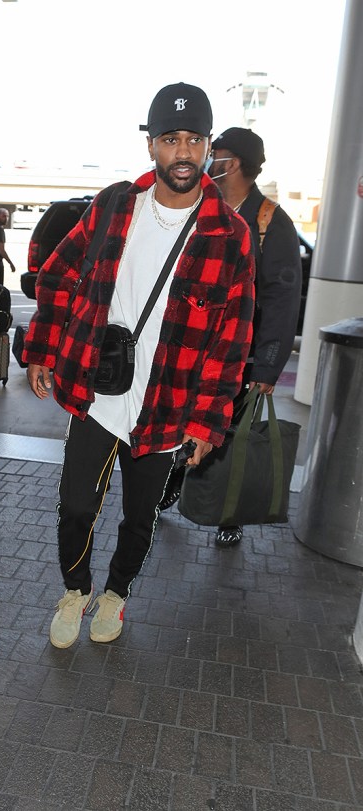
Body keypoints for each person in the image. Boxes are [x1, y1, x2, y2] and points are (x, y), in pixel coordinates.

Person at [22, 83, 255, 649]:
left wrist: (207, 423)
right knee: (76, 506)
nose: (183, 152)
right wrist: (44, 349)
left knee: (138, 518)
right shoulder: (114, 206)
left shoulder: (231, 236)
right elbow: (56, 274)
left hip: (168, 404)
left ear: (209, 151)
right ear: (152, 145)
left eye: (194, 141)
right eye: (170, 139)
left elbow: (231, 341)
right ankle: (76, 589)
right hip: (97, 391)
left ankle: (116, 594)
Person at [200, 127, 301, 548]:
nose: (208, 160)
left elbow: (282, 298)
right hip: (193, 347)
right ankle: (172, 487)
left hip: (239, 355)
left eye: (215, 154)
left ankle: (230, 512)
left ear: (234, 162)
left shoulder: (270, 221)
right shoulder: (201, 207)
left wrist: (267, 365)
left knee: (230, 431)